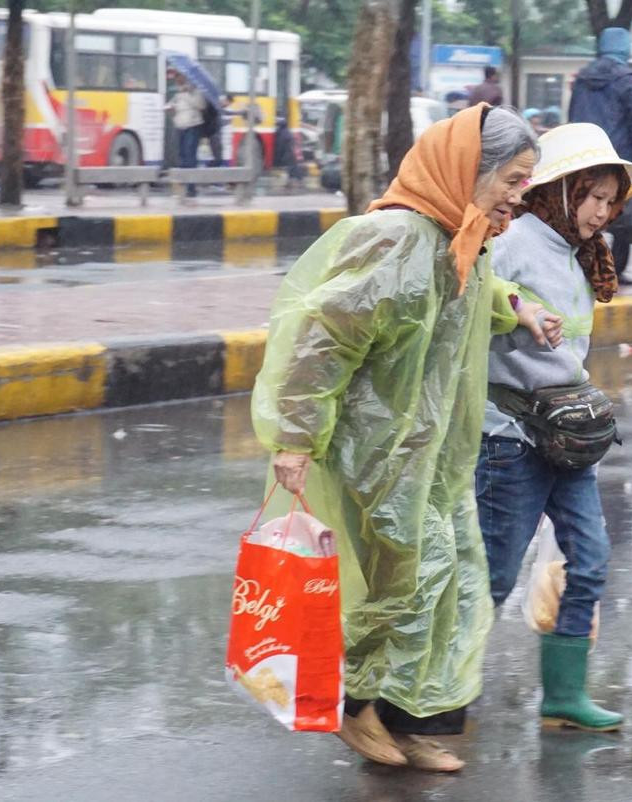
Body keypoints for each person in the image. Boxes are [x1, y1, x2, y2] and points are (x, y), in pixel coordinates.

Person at [251, 105, 559, 773]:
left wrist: (517, 307)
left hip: (434, 458)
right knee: (398, 586)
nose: (518, 197)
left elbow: (468, 300)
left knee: (449, 583)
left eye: (524, 182)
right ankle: (352, 707)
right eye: (510, 179)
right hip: (377, 455)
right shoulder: (393, 237)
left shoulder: (463, 240)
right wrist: (296, 438)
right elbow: (319, 338)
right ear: (465, 170)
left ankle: (411, 716)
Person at [477, 122, 632, 731]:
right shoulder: (515, 239)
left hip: (565, 440)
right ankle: (441, 694)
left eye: (610, 201)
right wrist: (518, 310)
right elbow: (471, 285)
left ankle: (563, 695)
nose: (602, 213)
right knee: (493, 576)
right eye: (593, 197)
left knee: (592, 559)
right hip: (508, 439)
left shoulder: (581, 254)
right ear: (561, 189)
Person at [569, 27, 632, 286]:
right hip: (620, 159)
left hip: (585, 158)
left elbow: (573, 116)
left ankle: (581, 265)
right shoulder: (628, 79)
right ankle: (613, 269)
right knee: (619, 215)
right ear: (625, 48)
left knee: (583, 210)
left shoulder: (582, 79)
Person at [166, 73, 207, 198]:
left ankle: (192, 188)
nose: (177, 80)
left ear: (185, 77)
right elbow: (172, 105)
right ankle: (182, 188)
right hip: (180, 127)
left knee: (190, 156)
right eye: (176, 78)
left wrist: (188, 93)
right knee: (182, 156)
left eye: (179, 77)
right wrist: (171, 108)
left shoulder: (196, 90)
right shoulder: (177, 93)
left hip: (192, 126)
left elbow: (201, 105)